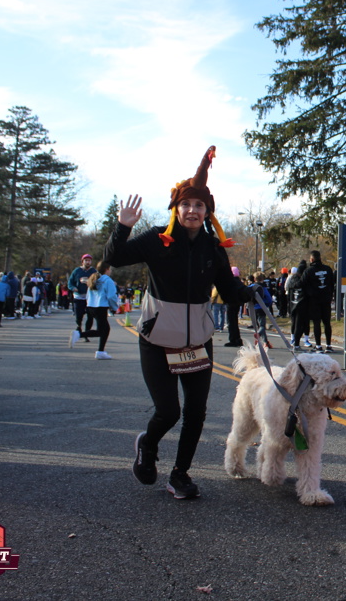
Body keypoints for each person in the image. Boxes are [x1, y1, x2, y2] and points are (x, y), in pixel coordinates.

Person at [106, 146, 256, 500]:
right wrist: (123, 227)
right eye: (186, 204)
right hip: (157, 339)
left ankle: (180, 474)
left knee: (196, 412)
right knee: (168, 411)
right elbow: (115, 257)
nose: (192, 210)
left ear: (207, 212)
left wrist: (248, 292)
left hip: (197, 342)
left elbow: (228, 290)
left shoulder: (213, 248)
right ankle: (148, 443)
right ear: (176, 208)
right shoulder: (157, 239)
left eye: (199, 205)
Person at [70, 261, 119, 359]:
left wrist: (89, 304)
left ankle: (101, 351)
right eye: (110, 269)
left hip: (91, 306)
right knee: (101, 331)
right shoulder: (107, 280)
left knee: (105, 329)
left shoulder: (93, 278)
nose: (110, 271)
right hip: (101, 306)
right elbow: (111, 296)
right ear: (107, 269)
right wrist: (114, 307)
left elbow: (88, 294)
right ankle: (79, 334)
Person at [303, 250, 334, 352]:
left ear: (311, 259)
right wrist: (330, 295)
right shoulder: (328, 269)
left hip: (314, 300)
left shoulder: (308, 271)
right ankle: (329, 345)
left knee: (317, 323)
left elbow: (303, 284)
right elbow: (332, 283)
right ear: (320, 258)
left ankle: (318, 346)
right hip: (326, 299)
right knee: (327, 323)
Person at [68, 254, 96, 337]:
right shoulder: (77, 271)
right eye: (86, 260)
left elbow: (98, 282)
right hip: (78, 296)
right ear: (82, 261)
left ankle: (87, 332)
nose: (88, 262)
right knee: (79, 315)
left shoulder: (94, 271)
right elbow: (70, 283)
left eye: (89, 260)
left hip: (90, 297)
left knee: (90, 316)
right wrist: (73, 288)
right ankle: (79, 326)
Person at [286, 261, 309, 350]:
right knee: (299, 325)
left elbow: (288, 290)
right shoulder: (302, 281)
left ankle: (294, 341)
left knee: (295, 324)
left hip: (293, 304)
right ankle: (296, 344)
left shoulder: (292, 279)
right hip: (301, 304)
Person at [223, 267, 245, 348]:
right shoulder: (239, 282)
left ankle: (233, 340)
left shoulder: (231, 282)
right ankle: (238, 339)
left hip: (231, 303)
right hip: (238, 303)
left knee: (231, 322)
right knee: (235, 321)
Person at [252, 271, 274, 349]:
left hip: (253, 308)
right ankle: (258, 334)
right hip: (261, 308)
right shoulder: (263, 288)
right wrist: (267, 304)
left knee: (258, 325)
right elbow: (269, 299)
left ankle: (265, 342)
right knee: (262, 325)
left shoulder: (251, 287)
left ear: (254, 279)